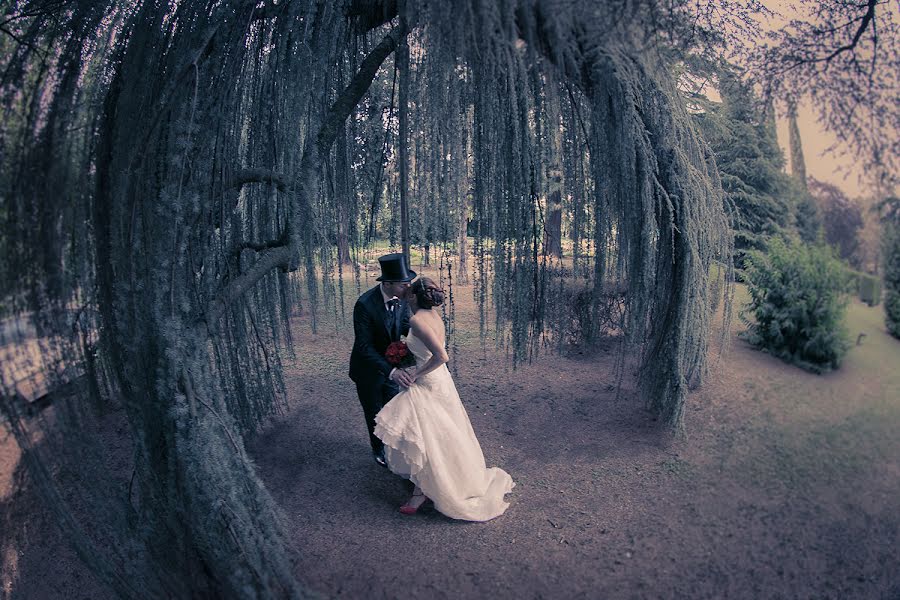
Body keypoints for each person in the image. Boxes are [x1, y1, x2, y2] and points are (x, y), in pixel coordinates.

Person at [374, 277, 514, 521]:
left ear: (415, 297)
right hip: (440, 381)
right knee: (440, 432)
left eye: (409, 289)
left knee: (428, 434)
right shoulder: (433, 316)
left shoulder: (417, 320)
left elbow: (441, 355)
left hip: (429, 381)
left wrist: (415, 372)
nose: (405, 291)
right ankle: (431, 481)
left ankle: (423, 491)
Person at [349, 253, 416, 467]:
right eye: (403, 285)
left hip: (391, 366)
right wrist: (392, 372)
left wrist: (423, 336)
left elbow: (405, 326)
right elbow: (364, 347)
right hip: (368, 371)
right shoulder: (365, 305)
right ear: (387, 283)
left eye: (409, 284)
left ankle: (392, 449)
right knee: (374, 412)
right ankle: (378, 450)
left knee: (392, 409)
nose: (408, 289)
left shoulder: (402, 300)